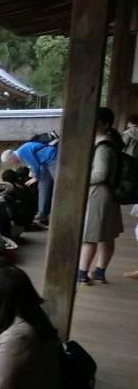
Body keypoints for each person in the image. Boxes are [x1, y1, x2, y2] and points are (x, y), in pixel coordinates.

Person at [78, 107, 125, 284]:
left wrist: (81, 180)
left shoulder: (103, 147)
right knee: (107, 236)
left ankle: (82, 274)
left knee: (90, 237)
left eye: (95, 120)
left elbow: (100, 174)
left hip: (98, 195)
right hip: (109, 194)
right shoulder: (110, 143)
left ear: (105, 124)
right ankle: (99, 272)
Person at [1, 139, 58, 226]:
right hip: (44, 164)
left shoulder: (22, 152)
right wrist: (34, 175)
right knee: (43, 186)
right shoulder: (21, 154)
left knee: (58, 183)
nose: (11, 164)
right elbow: (32, 165)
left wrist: (35, 177)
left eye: (9, 162)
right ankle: (42, 214)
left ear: (11, 158)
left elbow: (35, 165)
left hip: (52, 158)